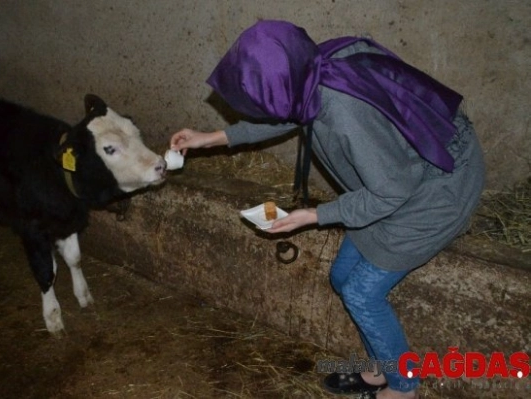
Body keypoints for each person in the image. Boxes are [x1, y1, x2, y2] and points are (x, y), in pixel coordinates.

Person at [169, 20, 485, 399]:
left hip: (435, 191)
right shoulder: (314, 67)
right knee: (342, 277)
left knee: (362, 294)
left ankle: (404, 387)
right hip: (401, 176)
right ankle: (381, 368)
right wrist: (214, 138)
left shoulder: (344, 113)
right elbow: (286, 113)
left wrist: (314, 216)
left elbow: (391, 191)